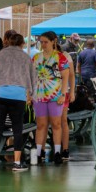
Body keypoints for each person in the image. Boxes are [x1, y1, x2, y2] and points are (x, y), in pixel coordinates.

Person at [0, 31, 36, 172]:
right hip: (18, 96)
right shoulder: (26, 57)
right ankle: (17, 163)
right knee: (17, 129)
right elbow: (32, 77)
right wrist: (31, 94)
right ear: (22, 43)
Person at [34, 31, 69, 165]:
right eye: (41, 42)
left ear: (53, 41)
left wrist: (63, 94)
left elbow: (65, 77)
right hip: (39, 95)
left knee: (56, 124)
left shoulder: (61, 57)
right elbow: (32, 76)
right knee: (41, 125)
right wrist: (29, 93)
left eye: (46, 42)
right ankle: (39, 153)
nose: (43, 45)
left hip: (55, 96)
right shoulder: (36, 57)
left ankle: (57, 152)